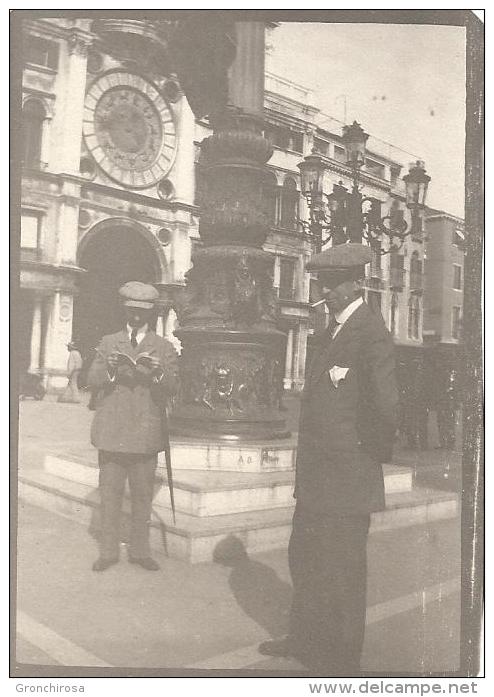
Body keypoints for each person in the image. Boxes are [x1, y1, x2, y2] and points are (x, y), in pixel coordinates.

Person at [259, 243, 399, 674]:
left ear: (357, 283)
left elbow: (388, 408)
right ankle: (304, 637)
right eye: (323, 282)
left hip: (346, 479)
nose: (327, 291)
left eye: (335, 283)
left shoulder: (370, 329)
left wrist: (358, 458)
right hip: (318, 478)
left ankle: (341, 658)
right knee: (304, 556)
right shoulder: (328, 330)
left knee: (342, 570)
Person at [87, 281, 179, 572]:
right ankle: (108, 551)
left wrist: (158, 373)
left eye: (142, 313)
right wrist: (111, 369)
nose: (136, 318)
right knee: (110, 494)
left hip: (145, 433)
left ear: (151, 313)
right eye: (131, 311)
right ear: (124, 310)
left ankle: (140, 551)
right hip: (112, 432)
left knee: (142, 496)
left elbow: (175, 386)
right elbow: (91, 380)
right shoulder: (108, 342)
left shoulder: (164, 348)